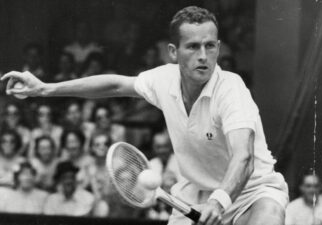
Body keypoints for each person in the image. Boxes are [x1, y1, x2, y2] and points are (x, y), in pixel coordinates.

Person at [2, 6, 288, 225]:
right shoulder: (162, 80)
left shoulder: (231, 89)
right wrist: (45, 89)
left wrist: (220, 201)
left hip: (254, 192)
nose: (204, 55)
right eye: (193, 46)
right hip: (196, 193)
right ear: (173, 52)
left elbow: (244, 158)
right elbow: (115, 84)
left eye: (210, 45)